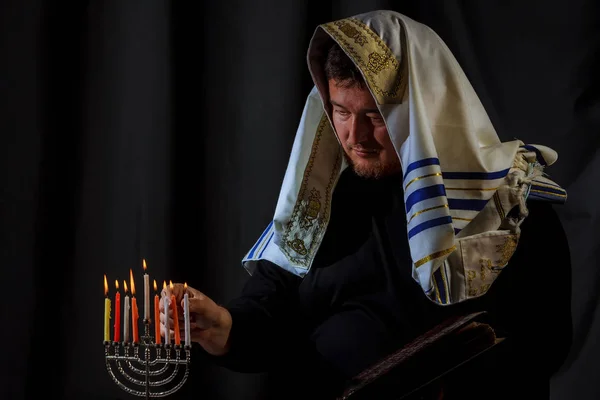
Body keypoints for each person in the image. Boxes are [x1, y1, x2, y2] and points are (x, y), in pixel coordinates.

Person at [161, 10, 572, 399]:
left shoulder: (508, 210)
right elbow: (272, 308)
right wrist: (222, 327)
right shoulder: (323, 201)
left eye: (375, 118)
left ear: (422, 113)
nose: (355, 137)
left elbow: (543, 348)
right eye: (340, 111)